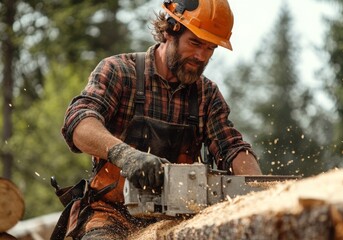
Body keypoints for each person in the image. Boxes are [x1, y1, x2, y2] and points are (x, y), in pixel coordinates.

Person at [57, 0, 262, 239]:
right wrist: (125, 155)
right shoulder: (120, 71)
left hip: (181, 218)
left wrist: (258, 191)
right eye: (195, 43)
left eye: (210, 48)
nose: (200, 56)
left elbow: (232, 148)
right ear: (169, 31)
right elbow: (78, 121)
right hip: (111, 215)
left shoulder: (207, 95)